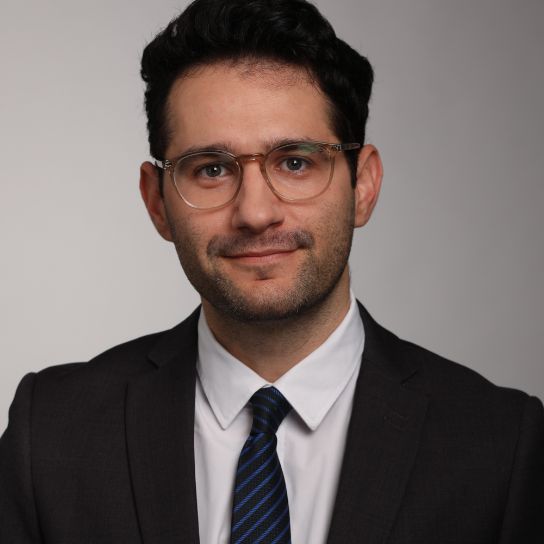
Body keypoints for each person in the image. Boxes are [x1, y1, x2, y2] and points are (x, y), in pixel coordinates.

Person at [1, 0, 542, 542]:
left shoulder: (502, 447)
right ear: (157, 202)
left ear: (363, 186)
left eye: (295, 162)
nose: (256, 213)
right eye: (211, 169)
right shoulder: (49, 433)